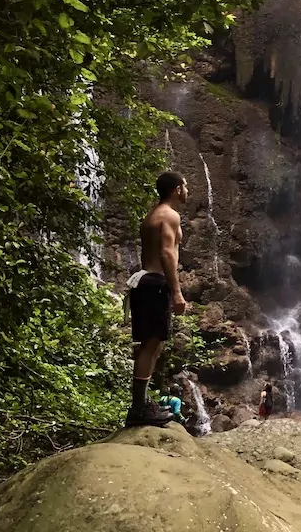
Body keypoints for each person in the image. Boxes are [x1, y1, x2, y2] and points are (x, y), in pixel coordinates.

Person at [124, 170, 189, 427]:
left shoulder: (152, 214)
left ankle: (141, 405)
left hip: (143, 281)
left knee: (151, 345)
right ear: (177, 190)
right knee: (151, 345)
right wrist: (177, 291)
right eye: (185, 186)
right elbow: (167, 253)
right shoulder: (170, 215)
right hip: (155, 283)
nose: (187, 191)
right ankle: (138, 409)